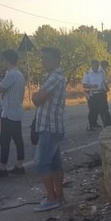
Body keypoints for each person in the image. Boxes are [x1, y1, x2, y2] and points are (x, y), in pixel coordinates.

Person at [32, 47, 67, 211]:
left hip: (49, 127)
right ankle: (59, 196)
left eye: (46, 58)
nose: (43, 62)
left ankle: (51, 198)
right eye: (42, 58)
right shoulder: (54, 77)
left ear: (56, 60)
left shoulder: (54, 77)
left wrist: (35, 96)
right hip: (53, 127)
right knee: (54, 164)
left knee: (42, 163)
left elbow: (37, 99)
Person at [0, 49, 26, 178]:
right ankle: (19, 165)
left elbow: (0, 89)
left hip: (9, 113)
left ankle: (2, 167)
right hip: (16, 111)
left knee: (4, 141)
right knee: (18, 140)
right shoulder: (19, 74)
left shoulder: (11, 75)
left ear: (7, 60)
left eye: (3, 60)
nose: (2, 62)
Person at [82, 59, 111, 130]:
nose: (96, 66)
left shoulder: (101, 72)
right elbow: (84, 85)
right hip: (92, 94)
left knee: (104, 109)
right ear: (91, 65)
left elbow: (104, 81)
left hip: (101, 93)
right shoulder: (87, 73)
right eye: (95, 65)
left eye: (97, 65)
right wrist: (92, 86)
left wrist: (106, 88)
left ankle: (107, 123)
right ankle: (92, 124)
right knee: (93, 110)